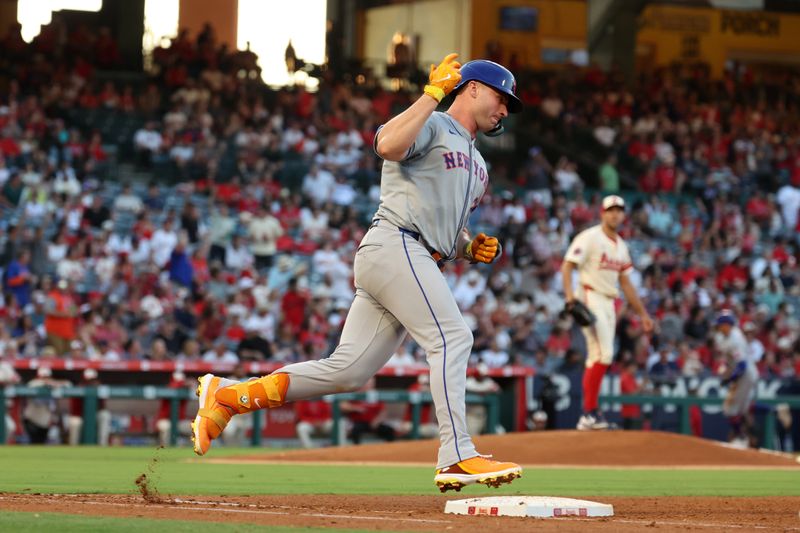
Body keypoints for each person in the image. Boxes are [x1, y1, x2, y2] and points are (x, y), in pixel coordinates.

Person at [191, 54, 523, 492]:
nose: (504, 110)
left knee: (348, 371)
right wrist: (432, 93)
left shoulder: (480, 166)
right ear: (474, 88)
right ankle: (456, 454)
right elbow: (387, 145)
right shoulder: (435, 122)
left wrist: (467, 247)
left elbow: (444, 227)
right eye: (502, 98)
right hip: (396, 244)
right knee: (452, 337)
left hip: (411, 255)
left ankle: (230, 396)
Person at [561, 195, 654, 430]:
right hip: (591, 296)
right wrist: (571, 298)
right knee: (605, 354)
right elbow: (568, 264)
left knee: (596, 356)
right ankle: (590, 412)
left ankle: (589, 415)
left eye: (619, 210)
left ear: (623, 215)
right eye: (610, 210)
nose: (615, 214)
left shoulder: (621, 246)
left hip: (609, 302)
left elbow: (626, 284)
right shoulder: (590, 237)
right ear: (602, 213)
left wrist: (643, 314)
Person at [714, 311, 759, 448]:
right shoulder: (722, 337)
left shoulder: (736, 339)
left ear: (728, 325)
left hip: (745, 375)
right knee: (742, 410)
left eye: (722, 324)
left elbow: (742, 366)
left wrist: (729, 379)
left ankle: (741, 438)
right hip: (741, 374)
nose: (720, 327)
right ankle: (750, 438)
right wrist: (727, 374)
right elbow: (729, 361)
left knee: (730, 409)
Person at [67, 368, 111, 446]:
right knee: (75, 422)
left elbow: (103, 406)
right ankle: (73, 447)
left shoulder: (100, 390)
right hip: (80, 416)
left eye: (92, 380)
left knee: (105, 415)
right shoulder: (78, 389)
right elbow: (75, 410)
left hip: (95, 415)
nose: (90, 383)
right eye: (88, 381)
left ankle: (103, 445)